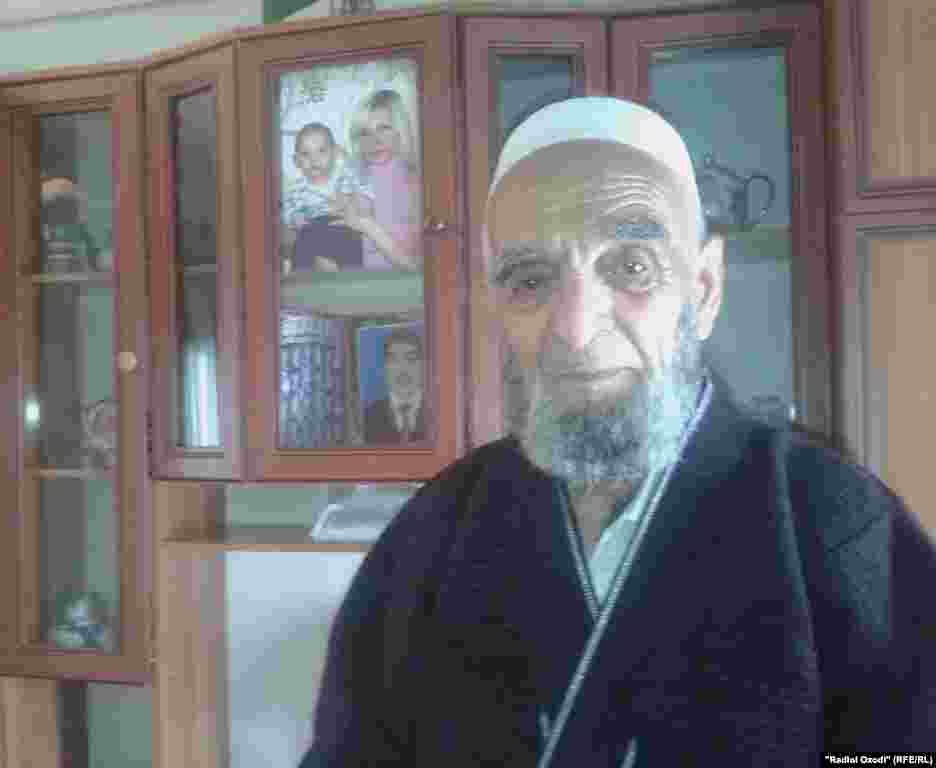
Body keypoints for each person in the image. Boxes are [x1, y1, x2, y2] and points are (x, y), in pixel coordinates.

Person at [299, 97, 936, 766]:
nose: (576, 331)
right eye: (530, 279)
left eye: (631, 266)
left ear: (703, 289)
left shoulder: (837, 528)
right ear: (497, 306)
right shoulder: (427, 538)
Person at [331, 89, 422, 271]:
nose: (375, 141)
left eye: (383, 128)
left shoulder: (416, 182)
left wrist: (367, 226)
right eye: (365, 132)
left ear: (400, 131)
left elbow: (414, 267)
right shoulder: (352, 179)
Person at [281, 121, 372, 272]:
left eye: (321, 151)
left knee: (352, 243)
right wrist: (295, 218)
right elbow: (287, 210)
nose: (314, 159)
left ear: (334, 153)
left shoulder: (343, 177)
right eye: (305, 154)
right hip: (312, 229)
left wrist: (352, 203)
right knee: (302, 245)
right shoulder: (296, 189)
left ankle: (354, 278)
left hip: (342, 227)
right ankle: (301, 278)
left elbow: (361, 187)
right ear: (296, 161)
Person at [362, 327, 427, 444]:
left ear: (423, 365)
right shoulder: (367, 417)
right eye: (393, 361)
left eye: (411, 359)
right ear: (384, 368)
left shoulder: (441, 410)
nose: (402, 370)